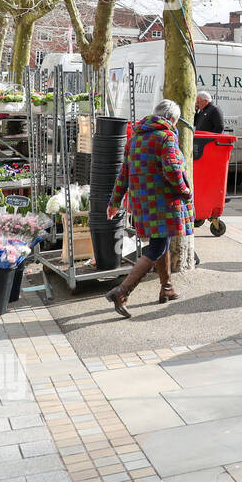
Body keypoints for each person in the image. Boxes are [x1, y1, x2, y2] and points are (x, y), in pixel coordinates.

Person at [104, 99, 193, 318]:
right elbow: (172, 169)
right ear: (172, 118)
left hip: (142, 203)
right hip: (163, 202)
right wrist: (184, 190)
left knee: (160, 241)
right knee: (158, 247)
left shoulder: (136, 138)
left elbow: (124, 173)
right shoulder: (167, 136)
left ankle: (167, 288)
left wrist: (114, 202)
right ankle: (122, 292)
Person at [192, 91, 224, 161]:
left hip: (209, 143)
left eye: (198, 102)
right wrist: (195, 110)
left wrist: (211, 139)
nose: (197, 104)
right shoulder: (202, 110)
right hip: (200, 143)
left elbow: (219, 127)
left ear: (205, 101)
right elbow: (194, 123)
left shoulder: (215, 109)